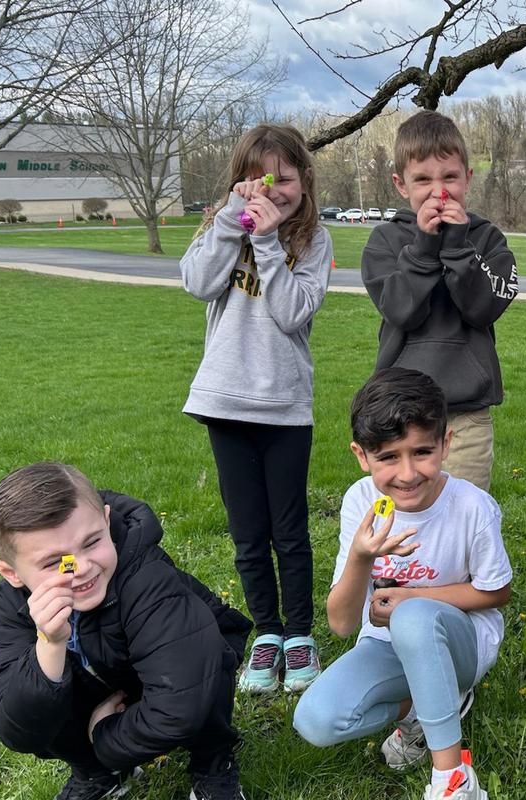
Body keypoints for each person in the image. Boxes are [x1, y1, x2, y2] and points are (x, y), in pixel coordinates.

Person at [293, 368, 512, 800]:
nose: (408, 473)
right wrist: (361, 557)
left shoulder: (472, 507)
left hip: (462, 644)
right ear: (362, 456)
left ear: (446, 443)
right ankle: (424, 708)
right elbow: (341, 624)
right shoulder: (361, 501)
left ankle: (453, 780)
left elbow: (497, 591)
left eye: (422, 452)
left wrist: (413, 597)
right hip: (386, 643)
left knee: (412, 616)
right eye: (389, 457)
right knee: (316, 720)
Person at [0, 462, 253, 800]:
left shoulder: (145, 578)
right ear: (11, 573)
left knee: (203, 670)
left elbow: (180, 704)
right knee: (39, 689)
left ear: (107, 521)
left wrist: (105, 736)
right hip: (109, 681)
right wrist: (49, 645)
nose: (82, 568)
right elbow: (17, 727)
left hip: (181, 673)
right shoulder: (11, 607)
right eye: (56, 563)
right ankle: (97, 773)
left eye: (92, 542)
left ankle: (213, 762)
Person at [180, 123, 332, 693]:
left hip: (285, 406)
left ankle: (299, 634)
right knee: (248, 534)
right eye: (256, 180)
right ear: (238, 182)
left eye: (283, 179)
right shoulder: (222, 227)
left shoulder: (312, 240)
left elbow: (292, 313)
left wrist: (267, 242)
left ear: (304, 180)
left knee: (288, 531)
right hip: (225, 402)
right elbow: (198, 284)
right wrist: (229, 222)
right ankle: (267, 632)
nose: (270, 191)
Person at [362, 110, 519, 493]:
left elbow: (483, 308)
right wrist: (424, 247)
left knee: (464, 514)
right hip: (399, 415)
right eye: (423, 180)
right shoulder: (385, 242)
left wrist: (459, 247)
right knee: (404, 518)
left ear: (468, 177)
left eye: (450, 177)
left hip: (465, 418)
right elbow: (401, 311)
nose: (439, 192)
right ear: (401, 184)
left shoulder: (488, 239)